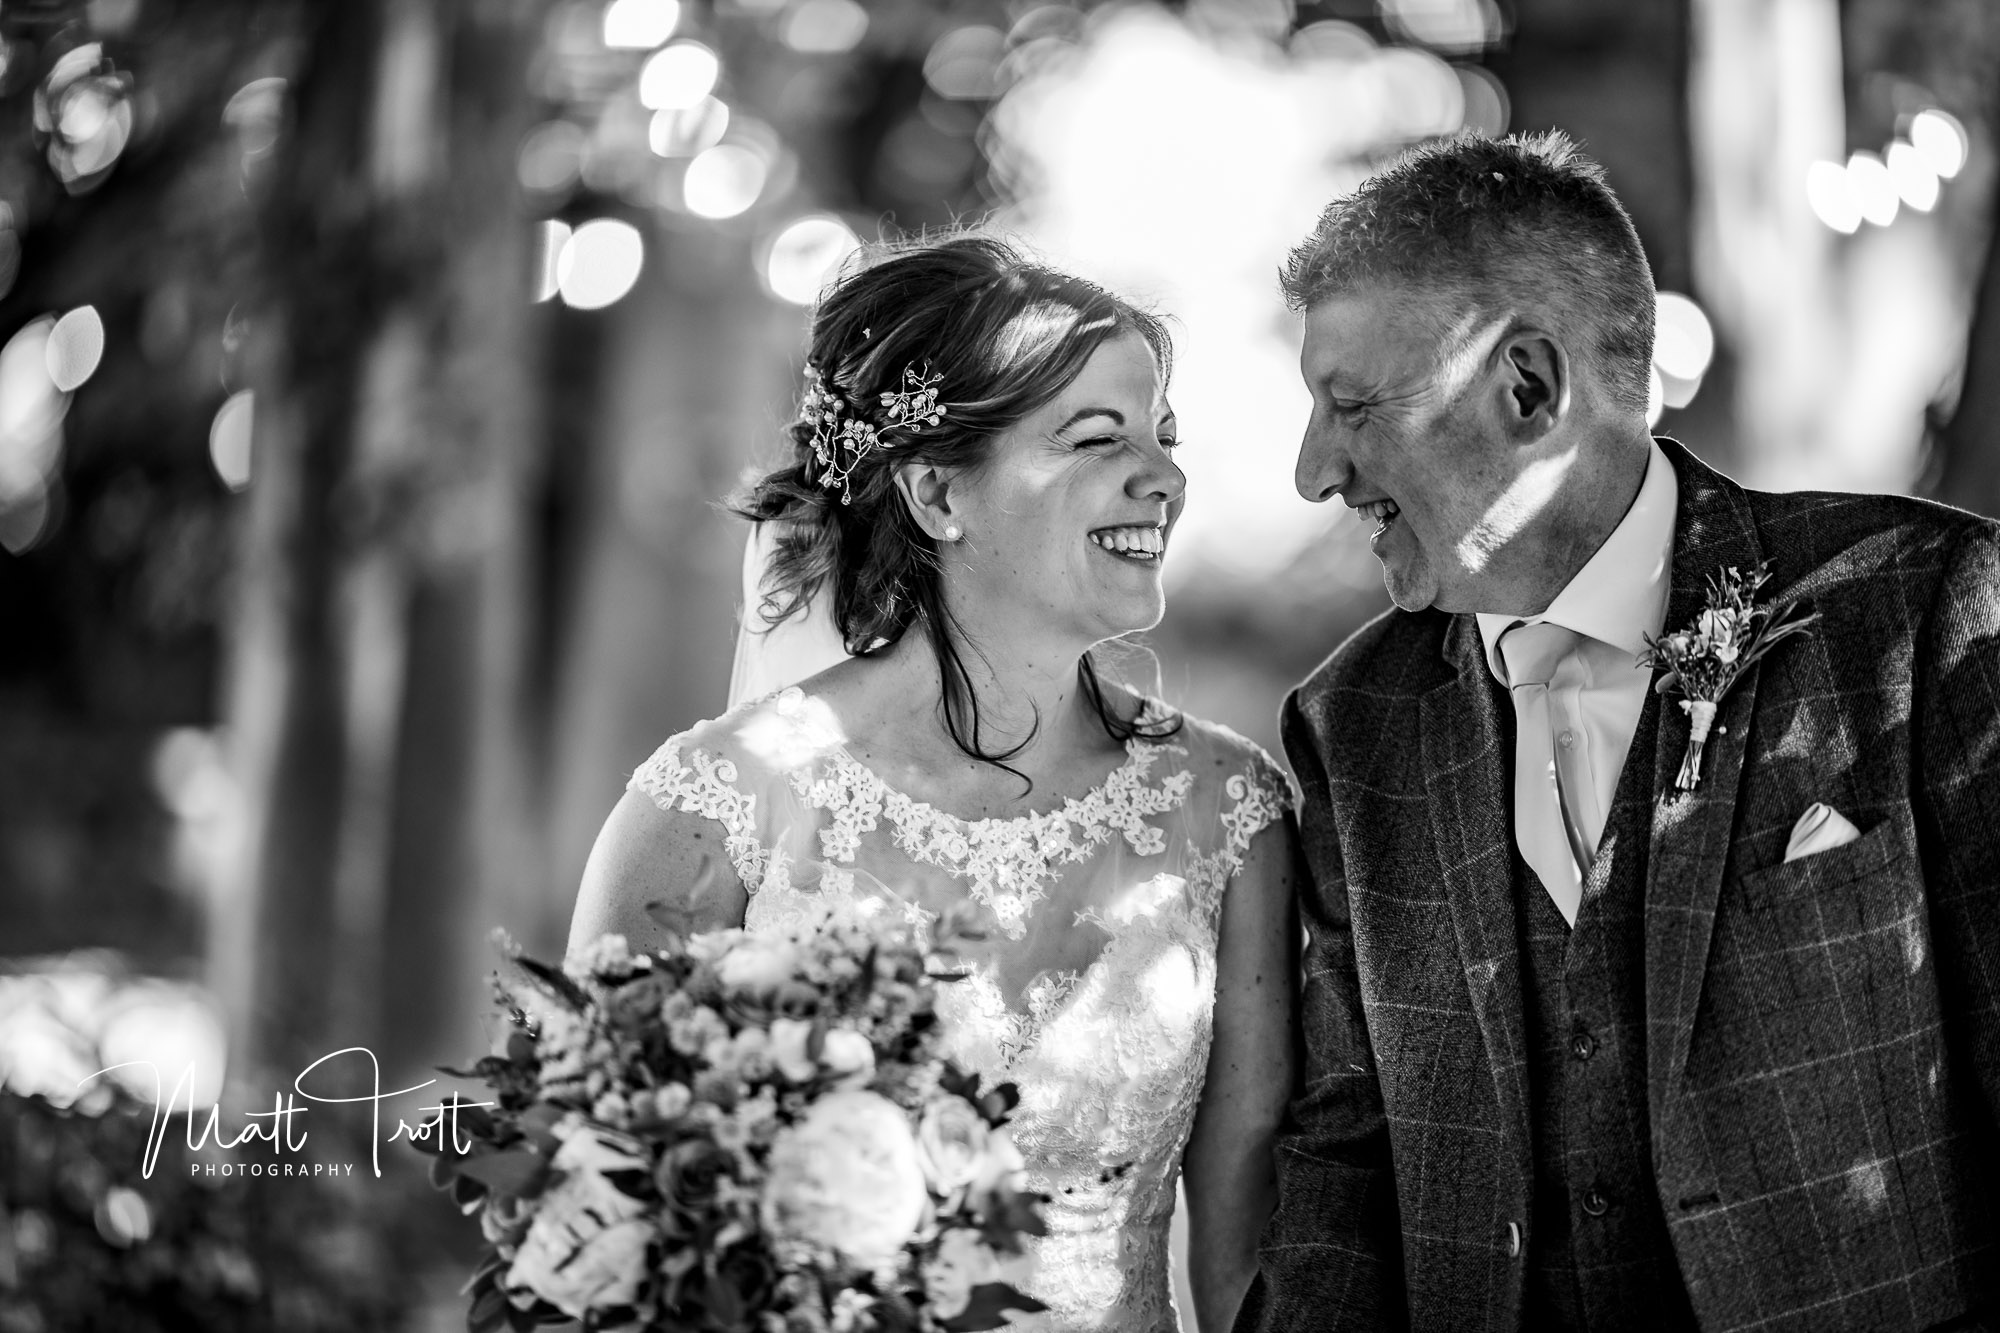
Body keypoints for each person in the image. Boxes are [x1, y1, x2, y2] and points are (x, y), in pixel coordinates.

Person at [1240, 130, 2000, 1332]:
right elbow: (1350, 1153)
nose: (1311, 470)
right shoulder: (1352, 724)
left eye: (1351, 408)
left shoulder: (1910, 608)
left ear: (1527, 388)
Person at [570, 235, 1301, 1333]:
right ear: (934, 493)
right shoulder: (711, 808)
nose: (1160, 476)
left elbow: (1248, 1269)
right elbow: (603, 1236)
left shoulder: (1228, 812)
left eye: (1162, 436)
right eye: (1096, 438)